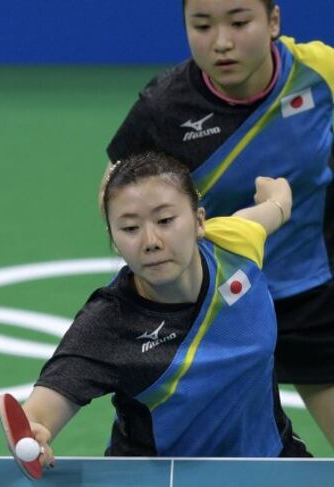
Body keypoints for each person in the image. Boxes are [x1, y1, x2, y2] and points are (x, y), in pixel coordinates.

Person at [102, 0, 334, 447]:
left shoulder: (318, 70)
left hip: (311, 289)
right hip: (214, 303)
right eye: (202, 25)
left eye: (239, 21)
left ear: (273, 22)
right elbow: (116, 188)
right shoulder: (166, 106)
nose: (222, 42)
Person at [21, 151, 311, 465]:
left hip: (270, 460)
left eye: (165, 220)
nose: (151, 241)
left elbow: (271, 211)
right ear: (114, 240)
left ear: (199, 221)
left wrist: (278, 197)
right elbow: (37, 415)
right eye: (130, 228)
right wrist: (34, 433)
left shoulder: (233, 244)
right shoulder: (110, 322)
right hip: (157, 473)